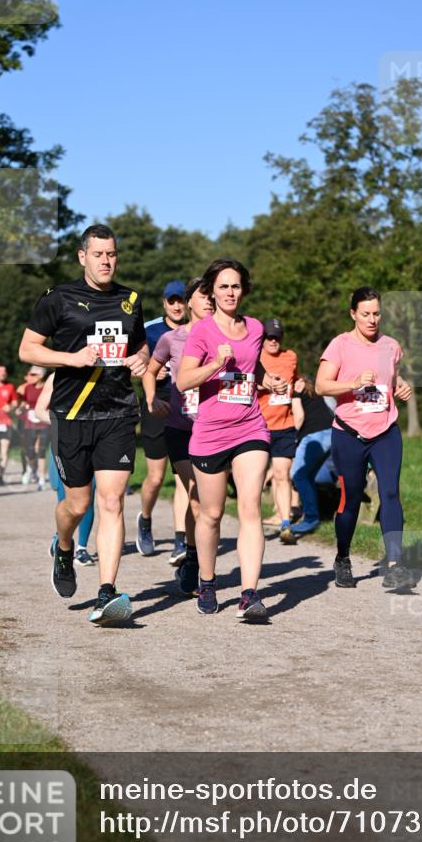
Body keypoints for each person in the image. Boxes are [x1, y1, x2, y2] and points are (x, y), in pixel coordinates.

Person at [18, 223, 149, 625]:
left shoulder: (130, 300)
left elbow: (138, 343)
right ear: (83, 256)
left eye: (111, 254)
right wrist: (72, 359)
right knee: (78, 503)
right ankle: (63, 545)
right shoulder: (58, 298)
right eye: (98, 255)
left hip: (117, 412)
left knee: (112, 501)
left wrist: (141, 359)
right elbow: (28, 349)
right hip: (72, 415)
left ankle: (106, 593)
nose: (106, 261)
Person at [177, 258, 270, 620]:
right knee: (212, 514)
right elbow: (184, 381)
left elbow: (253, 368)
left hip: (250, 427)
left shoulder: (256, 328)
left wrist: (269, 381)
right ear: (212, 292)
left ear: (243, 289)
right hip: (210, 433)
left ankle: (249, 594)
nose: (230, 292)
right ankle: (207, 579)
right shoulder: (201, 331)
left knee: (250, 507)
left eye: (235, 286)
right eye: (223, 287)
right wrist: (215, 364)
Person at [315, 286, 413, 589]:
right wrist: (354, 382)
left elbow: (390, 379)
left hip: (385, 431)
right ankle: (343, 556)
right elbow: (321, 386)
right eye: (366, 314)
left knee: (391, 493)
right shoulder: (339, 345)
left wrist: (402, 386)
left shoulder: (391, 346)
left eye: (377, 313)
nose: (372, 319)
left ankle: (395, 565)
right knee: (351, 499)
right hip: (349, 433)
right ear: (353, 314)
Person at [143, 277, 215, 596]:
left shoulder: (225, 337)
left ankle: (192, 554)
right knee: (196, 495)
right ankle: (196, 565)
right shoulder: (172, 338)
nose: (210, 300)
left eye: (213, 295)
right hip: (180, 427)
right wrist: (151, 399)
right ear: (188, 302)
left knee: (207, 503)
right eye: (203, 295)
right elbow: (149, 371)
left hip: (215, 429)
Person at [137, 280, 189, 564]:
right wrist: (148, 371)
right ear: (164, 303)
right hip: (156, 404)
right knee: (156, 477)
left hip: (187, 406)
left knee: (183, 475)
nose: (177, 306)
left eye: (181, 300)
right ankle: (145, 520)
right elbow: (137, 362)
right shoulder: (150, 329)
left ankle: (181, 540)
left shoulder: (195, 328)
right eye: (172, 301)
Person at [34, 374, 98, 567]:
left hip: (93, 440)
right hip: (65, 440)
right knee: (66, 494)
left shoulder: (102, 373)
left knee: (90, 493)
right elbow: (39, 411)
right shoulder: (56, 376)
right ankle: (62, 537)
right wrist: (63, 422)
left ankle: (81, 548)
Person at [257, 318, 300, 545]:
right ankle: (252, 523)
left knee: (283, 474)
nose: (273, 341)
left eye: (277, 337)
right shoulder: (255, 358)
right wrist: (266, 384)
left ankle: (285, 524)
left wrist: (302, 384)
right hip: (258, 426)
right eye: (268, 337)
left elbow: (296, 378)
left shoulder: (290, 357)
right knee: (255, 479)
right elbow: (244, 384)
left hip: (284, 425)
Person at [289, 375, 334, 535]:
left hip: (314, 435)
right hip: (329, 433)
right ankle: (312, 515)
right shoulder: (312, 389)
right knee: (307, 477)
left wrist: (293, 438)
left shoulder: (297, 390)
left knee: (298, 475)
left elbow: (299, 418)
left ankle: (310, 518)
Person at [17, 365, 49, 489]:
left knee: (41, 450)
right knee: (30, 451)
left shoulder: (48, 387)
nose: (29, 377)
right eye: (29, 374)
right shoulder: (27, 388)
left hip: (44, 422)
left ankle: (41, 478)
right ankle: (31, 469)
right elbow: (23, 401)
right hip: (29, 422)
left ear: (40, 376)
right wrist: (20, 408)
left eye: (32, 375)